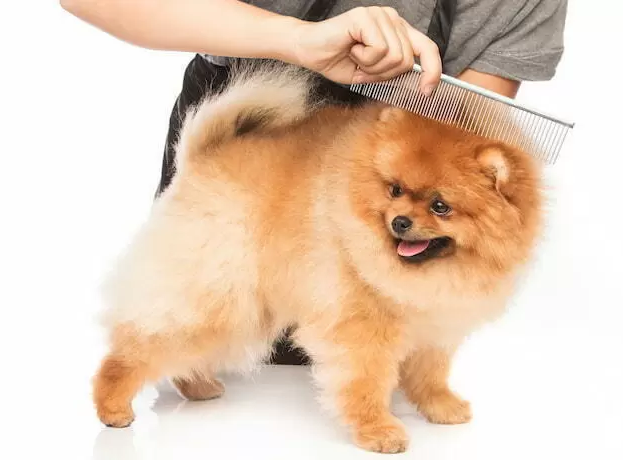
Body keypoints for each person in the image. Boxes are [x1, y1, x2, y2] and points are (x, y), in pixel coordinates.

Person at [61, 0, 568, 365]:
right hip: (240, 146)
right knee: (193, 347)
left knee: (358, 367)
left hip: (394, 146)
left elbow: (465, 133)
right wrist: (297, 39)